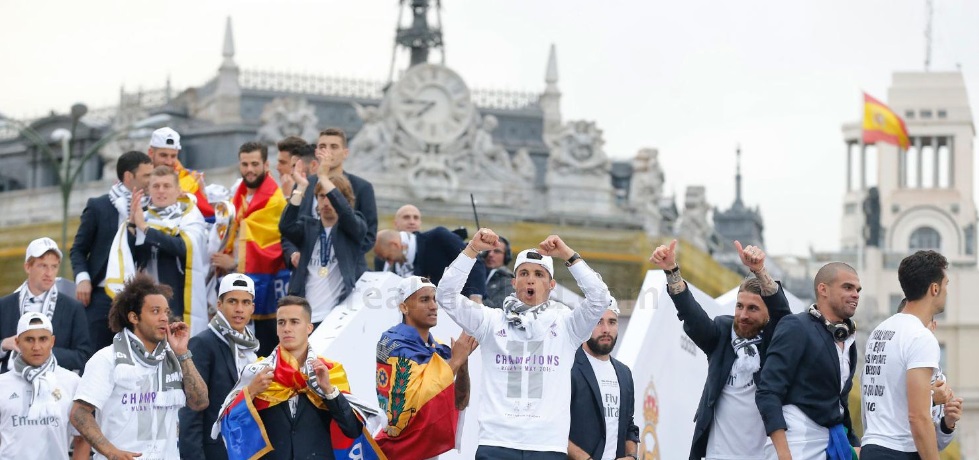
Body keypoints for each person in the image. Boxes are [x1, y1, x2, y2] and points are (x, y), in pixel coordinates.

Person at [435, 229, 613, 459]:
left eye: (540, 274)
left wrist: (568, 255)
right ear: (513, 282)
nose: (531, 279)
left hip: (547, 447)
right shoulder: (490, 320)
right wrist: (472, 249)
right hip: (496, 443)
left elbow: (600, 298)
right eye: (524, 273)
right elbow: (446, 295)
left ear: (552, 285)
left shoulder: (568, 325)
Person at [649, 240, 791, 460]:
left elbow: (783, 314)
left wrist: (759, 270)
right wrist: (671, 271)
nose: (743, 315)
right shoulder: (722, 333)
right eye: (739, 306)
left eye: (753, 308)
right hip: (716, 454)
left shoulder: (776, 342)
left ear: (767, 314)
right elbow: (692, 315)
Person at [70, 273, 208, 460]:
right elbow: (79, 413)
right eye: (155, 311)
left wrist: (183, 353)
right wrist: (111, 452)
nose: (164, 318)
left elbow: (200, 402)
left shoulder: (175, 358)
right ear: (134, 317)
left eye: (166, 312)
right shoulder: (107, 359)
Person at [213, 296, 364, 460]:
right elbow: (231, 426)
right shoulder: (257, 372)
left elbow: (352, 430)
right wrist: (250, 393)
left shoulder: (330, 371)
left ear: (309, 328)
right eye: (281, 322)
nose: (287, 328)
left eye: (294, 322)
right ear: (276, 329)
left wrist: (329, 391)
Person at [861, 251, 962, 459]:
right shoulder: (920, 337)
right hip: (900, 450)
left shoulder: (880, 331)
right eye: (946, 285)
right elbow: (918, 416)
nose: (946, 292)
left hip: (872, 446)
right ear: (934, 289)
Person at [756, 262, 862, 459]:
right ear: (823, 289)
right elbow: (768, 391)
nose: (855, 294)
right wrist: (784, 454)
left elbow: (840, 402)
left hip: (831, 443)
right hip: (795, 444)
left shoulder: (848, 340)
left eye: (857, 289)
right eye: (847, 287)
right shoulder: (796, 326)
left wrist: (854, 444)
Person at [375, 276, 477, 458]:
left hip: (427, 449)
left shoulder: (437, 348)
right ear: (404, 307)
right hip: (399, 449)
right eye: (424, 300)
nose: (433, 306)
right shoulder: (393, 343)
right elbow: (415, 403)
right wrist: (454, 362)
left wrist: (462, 365)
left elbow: (460, 402)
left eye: (434, 299)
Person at [211, 142, 290, 357]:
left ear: (266, 164)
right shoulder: (239, 195)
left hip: (266, 285)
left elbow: (273, 248)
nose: (249, 169)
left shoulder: (275, 199)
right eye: (245, 164)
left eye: (255, 164)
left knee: (264, 348)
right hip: (234, 282)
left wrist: (234, 263)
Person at [108, 166, 208, 334]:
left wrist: (146, 230)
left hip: (179, 299)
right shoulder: (142, 217)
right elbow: (128, 258)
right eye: (156, 186)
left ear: (178, 190)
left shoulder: (190, 216)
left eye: (166, 186)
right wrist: (132, 226)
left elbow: (184, 248)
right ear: (149, 190)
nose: (161, 191)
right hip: (146, 300)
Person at [71, 150, 153, 350]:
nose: (151, 180)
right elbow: (78, 249)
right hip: (99, 297)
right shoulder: (99, 206)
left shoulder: (153, 209)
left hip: (138, 297)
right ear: (128, 177)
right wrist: (83, 279)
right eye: (146, 176)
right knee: (94, 354)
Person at [178, 274, 260, 460]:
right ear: (219, 305)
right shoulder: (203, 343)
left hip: (249, 449)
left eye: (246, 302)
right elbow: (191, 412)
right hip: (215, 452)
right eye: (233, 301)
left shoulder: (252, 348)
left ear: (252, 308)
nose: (239, 309)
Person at [279, 165, 367, 325]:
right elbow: (285, 226)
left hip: (337, 318)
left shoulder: (353, 228)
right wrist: (301, 187)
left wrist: (324, 178)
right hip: (304, 317)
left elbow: (348, 216)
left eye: (331, 197)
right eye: (321, 196)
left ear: (344, 201)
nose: (326, 202)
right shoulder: (308, 226)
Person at [0, 312, 85, 460]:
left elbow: (82, 438)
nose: (36, 347)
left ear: (52, 341)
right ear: (17, 342)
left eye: (43, 339)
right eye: (29, 340)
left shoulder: (72, 382)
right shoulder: (2, 384)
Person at [0, 237, 92, 373]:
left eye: (54, 266)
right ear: (27, 267)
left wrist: (44, 352)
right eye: (43, 266)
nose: (49, 273)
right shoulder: (4, 305)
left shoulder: (73, 308)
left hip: (56, 385)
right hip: (11, 383)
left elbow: (84, 356)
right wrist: (3, 345)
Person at [568, 302, 640, 460]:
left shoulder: (624, 373)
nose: (606, 329)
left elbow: (629, 424)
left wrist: (631, 456)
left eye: (612, 322)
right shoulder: (568, 366)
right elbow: (552, 425)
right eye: (598, 322)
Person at [294, 127, 378, 253]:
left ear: (345, 153)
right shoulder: (303, 184)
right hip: (305, 263)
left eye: (334, 147)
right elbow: (289, 227)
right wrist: (293, 253)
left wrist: (344, 258)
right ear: (316, 152)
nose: (328, 151)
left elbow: (369, 235)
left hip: (344, 265)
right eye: (323, 147)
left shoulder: (362, 187)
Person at [375, 227, 487, 302]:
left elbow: (475, 264)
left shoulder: (438, 237)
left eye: (388, 258)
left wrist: (475, 298)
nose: (389, 262)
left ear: (394, 245)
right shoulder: (399, 266)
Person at [147, 127, 215, 221]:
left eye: (173, 156)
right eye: (163, 155)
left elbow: (209, 217)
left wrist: (189, 199)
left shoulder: (191, 179)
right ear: (151, 153)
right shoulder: (140, 177)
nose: (169, 162)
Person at [374, 203, 423, 271]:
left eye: (416, 218)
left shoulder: (430, 250)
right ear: (395, 223)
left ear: (420, 223)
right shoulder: (382, 256)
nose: (412, 222)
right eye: (406, 217)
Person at [483, 236, 515, 308]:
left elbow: (499, 309)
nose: (490, 254)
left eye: (497, 251)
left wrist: (476, 297)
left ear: (506, 256)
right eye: (488, 251)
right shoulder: (475, 273)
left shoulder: (508, 281)